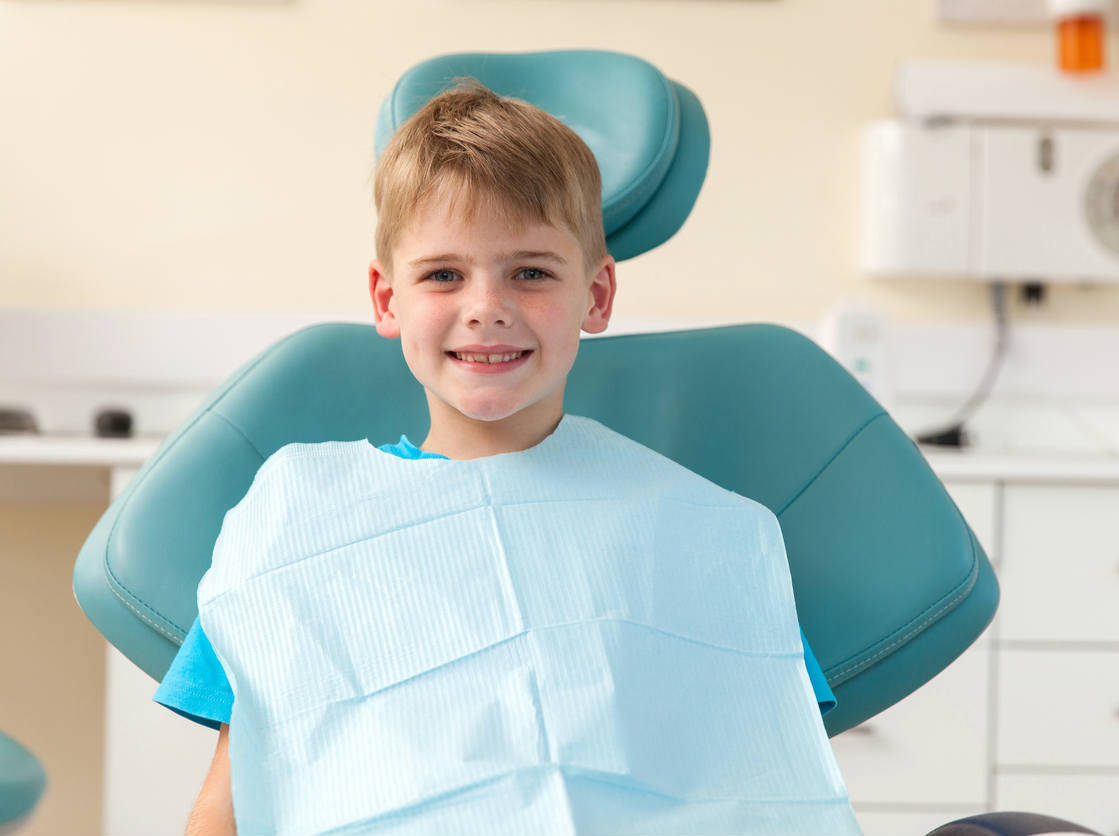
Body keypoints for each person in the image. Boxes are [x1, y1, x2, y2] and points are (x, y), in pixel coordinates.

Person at [154, 76, 851, 836]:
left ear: (597, 294)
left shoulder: (703, 538)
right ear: (388, 300)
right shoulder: (301, 526)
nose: (486, 305)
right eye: (444, 274)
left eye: (531, 272)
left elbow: (773, 787)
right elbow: (233, 796)